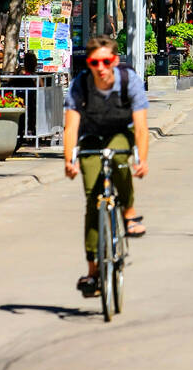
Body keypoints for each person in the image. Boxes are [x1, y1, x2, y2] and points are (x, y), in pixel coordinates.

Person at [63, 35, 149, 297]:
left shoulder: (128, 80)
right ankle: (93, 271)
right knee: (93, 198)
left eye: (105, 61)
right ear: (88, 63)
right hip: (90, 135)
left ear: (114, 61)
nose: (100, 67)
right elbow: (71, 127)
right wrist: (69, 160)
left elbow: (142, 127)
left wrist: (141, 159)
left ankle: (129, 212)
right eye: (94, 62)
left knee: (121, 161)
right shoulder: (81, 85)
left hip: (119, 131)